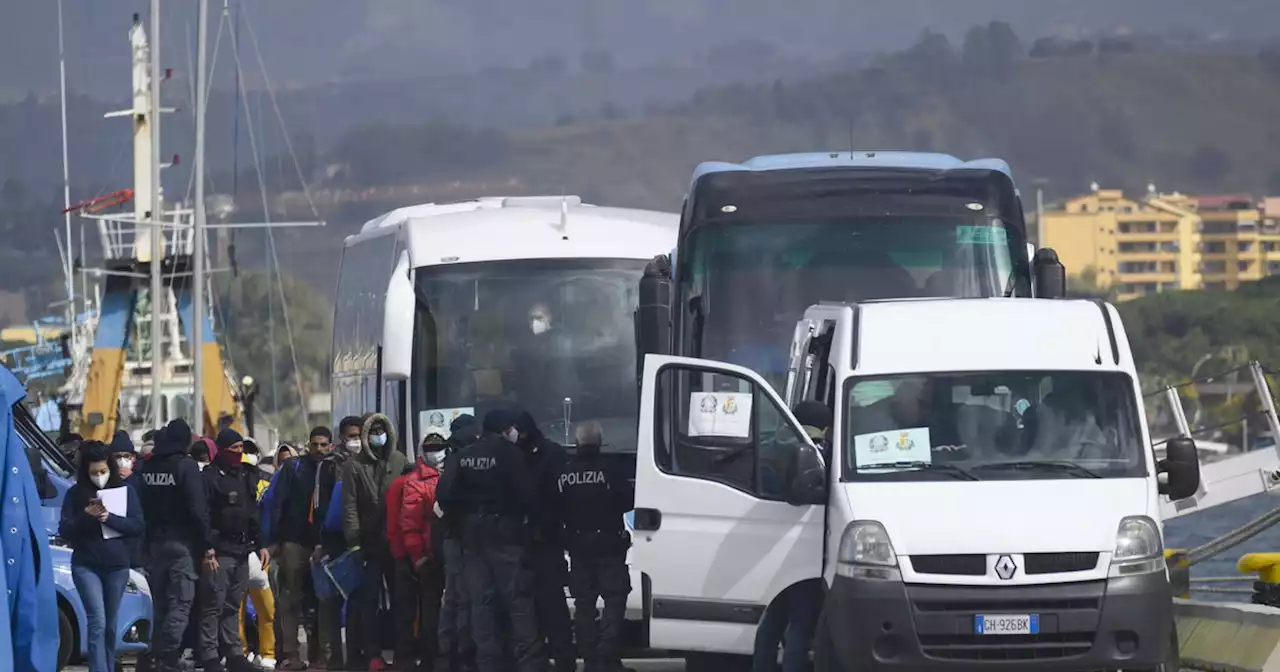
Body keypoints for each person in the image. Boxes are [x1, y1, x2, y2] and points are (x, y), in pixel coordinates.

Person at [436, 409, 546, 672]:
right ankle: (528, 664)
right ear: (505, 429)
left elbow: (444, 496)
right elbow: (529, 495)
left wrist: (461, 519)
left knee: (480, 603)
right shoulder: (511, 455)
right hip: (507, 536)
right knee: (517, 601)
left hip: (472, 538)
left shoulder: (463, 457)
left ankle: (487, 663)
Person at [750, 402, 830, 672]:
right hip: (808, 546)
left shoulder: (772, 449)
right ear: (827, 428)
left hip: (774, 544)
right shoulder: (822, 455)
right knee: (801, 622)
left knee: (773, 618)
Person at [59, 441, 146, 672]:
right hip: (86, 565)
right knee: (97, 621)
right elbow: (64, 529)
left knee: (110, 624)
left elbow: (137, 525)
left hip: (117, 566)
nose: (100, 476)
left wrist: (110, 519)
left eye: (103, 471)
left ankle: (108, 666)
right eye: (94, 472)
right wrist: (87, 517)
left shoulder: (126, 492)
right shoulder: (75, 494)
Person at [554, 422, 632, 672]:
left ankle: (589, 658)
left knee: (584, 603)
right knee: (615, 599)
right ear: (599, 442)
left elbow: (557, 506)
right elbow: (628, 500)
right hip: (609, 544)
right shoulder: (611, 470)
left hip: (578, 545)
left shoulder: (564, 473)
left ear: (577, 443)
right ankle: (607, 657)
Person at [140, 418, 211, 672]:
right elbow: (197, 508)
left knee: (160, 603)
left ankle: (153, 655)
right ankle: (167, 655)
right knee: (181, 602)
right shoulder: (186, 466)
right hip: (182, 544)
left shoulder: (147, 467)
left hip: (154, 544)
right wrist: (207, 544)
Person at [341, 413, 409, 672]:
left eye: (381, 430)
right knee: (368, 601)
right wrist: (354, 543)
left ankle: (403, 653)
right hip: (368, 542)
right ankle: (371, 654)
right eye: (373, 431)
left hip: (396, 541)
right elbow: (350, 508)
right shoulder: (354, 466)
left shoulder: (399, 460)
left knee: (401, 599)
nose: (377, 436)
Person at [264, 427, 332, 671]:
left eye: (324, 445)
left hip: (323, 545)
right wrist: (275, 541)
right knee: (289, 600)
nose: (319, 449)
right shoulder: (294, 468)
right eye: (315, 444)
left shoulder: (334, 468)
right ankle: (291, 655)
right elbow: (276, 504)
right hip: (294, 542)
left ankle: (322, 656)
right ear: (308, 445)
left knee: (323, 601)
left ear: (330, 446)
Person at [514, 412, 576, 672]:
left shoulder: (550, 454)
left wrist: (547, 527)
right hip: (522, 542)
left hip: (545, 541)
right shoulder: (515, 454)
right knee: (528, 609)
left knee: (552, 607)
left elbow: (561, 498)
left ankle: (562, 661)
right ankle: (539, 661)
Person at [435, 415, 481, 672]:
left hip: (453, 536)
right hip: (462, 537)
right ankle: (461, 652)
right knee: (462, 599)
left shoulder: (451, 454)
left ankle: (448, 653)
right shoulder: (462, 457)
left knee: (452, 597)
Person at [400, 434, 447, 672]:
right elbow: (410, 523)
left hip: (452, 553)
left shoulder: (451, 472)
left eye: (440, 447)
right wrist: (418, 555)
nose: (436, 452)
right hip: (429, 555)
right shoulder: (415, 481)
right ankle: (431, 657)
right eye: (431, 448)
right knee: (430, 608)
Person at [386, 445, 420, 670]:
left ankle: (403, 656)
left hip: (400, 554)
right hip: (422, 555)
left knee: (403, 607)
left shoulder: (396, 485)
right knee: (425, 605)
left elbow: (391, 526)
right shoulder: (422, 483)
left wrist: (399, 553)